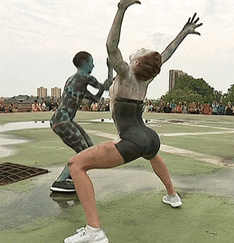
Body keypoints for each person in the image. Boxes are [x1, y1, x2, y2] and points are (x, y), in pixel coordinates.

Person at [63, 1, 202, 242]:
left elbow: (110, 46)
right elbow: (165, 55)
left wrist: (121, 8)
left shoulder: (126, 73)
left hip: (132, 140)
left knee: (76, 165)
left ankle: (94, 231)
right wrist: (183, 33)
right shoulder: (146, 79)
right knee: (152, 154)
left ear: (137, 62)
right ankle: (172, 195)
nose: (139, 50)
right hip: (150, 138)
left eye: (140, 52)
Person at [49, 51, 113, 193]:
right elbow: (107, 86)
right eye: (91, 62)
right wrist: (110, 68)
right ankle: (60, 181)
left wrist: (101, 89)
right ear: (84, 63)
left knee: (89, 146)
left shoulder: (74, 80)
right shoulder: (83, 77)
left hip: (63, 120)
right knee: (83, 151)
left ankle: (72, 175)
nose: (93, 65)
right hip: (62, 121)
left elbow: (95, 99)